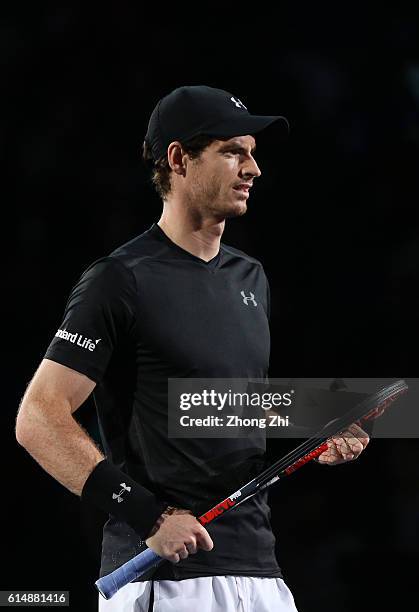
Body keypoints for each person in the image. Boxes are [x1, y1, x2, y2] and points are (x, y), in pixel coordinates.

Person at [15, 85, 369, 612]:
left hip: (261, 574)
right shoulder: (119, 280)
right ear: (179, 159)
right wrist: (150, 516)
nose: (254, 169)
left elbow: (226, 407)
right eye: (233, 152)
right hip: (167, 578)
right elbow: (38, 418)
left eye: (253, 154)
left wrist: (318, 430)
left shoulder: (252, 278)